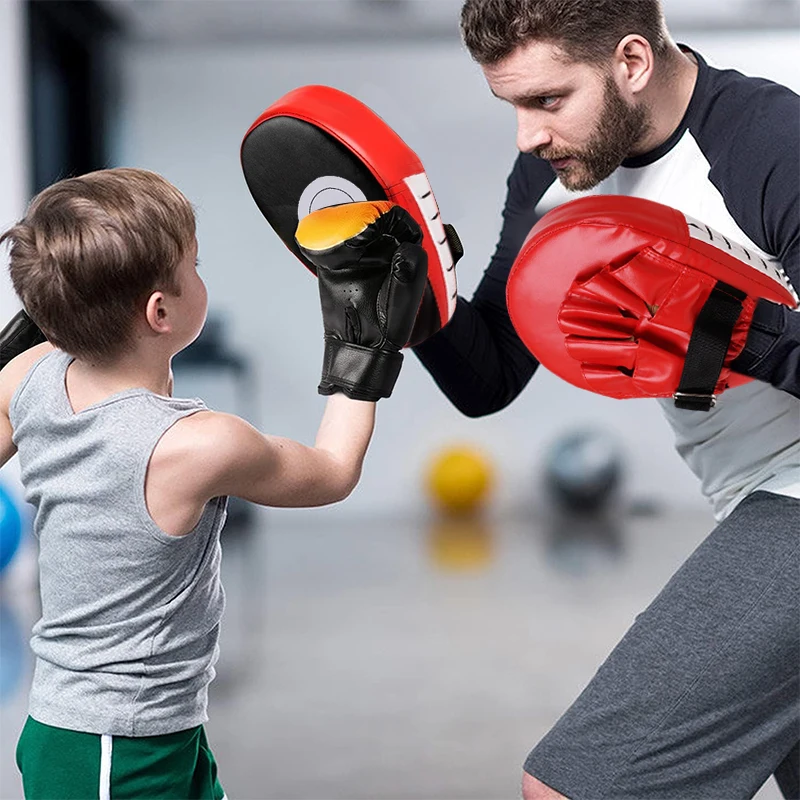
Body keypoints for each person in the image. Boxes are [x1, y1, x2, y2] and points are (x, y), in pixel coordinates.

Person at [412, 1, 800, 798]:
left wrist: (730, 327)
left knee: (577, 786)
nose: (527, 135)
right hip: (746, 494)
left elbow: (735, 334)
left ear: (630, 62)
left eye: (548, 101)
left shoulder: (768, 144)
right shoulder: (557, 169)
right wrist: (414, 304)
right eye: (513, 106)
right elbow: (489, 379)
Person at [0, 169, 426, 798]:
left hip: (134, 728)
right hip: (114, 751)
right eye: (196, 266)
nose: (204, 277)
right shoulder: (197, 444)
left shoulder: (29, 375)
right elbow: (331, 471)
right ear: (160, 311)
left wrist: (55, 309)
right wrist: (365, 345)